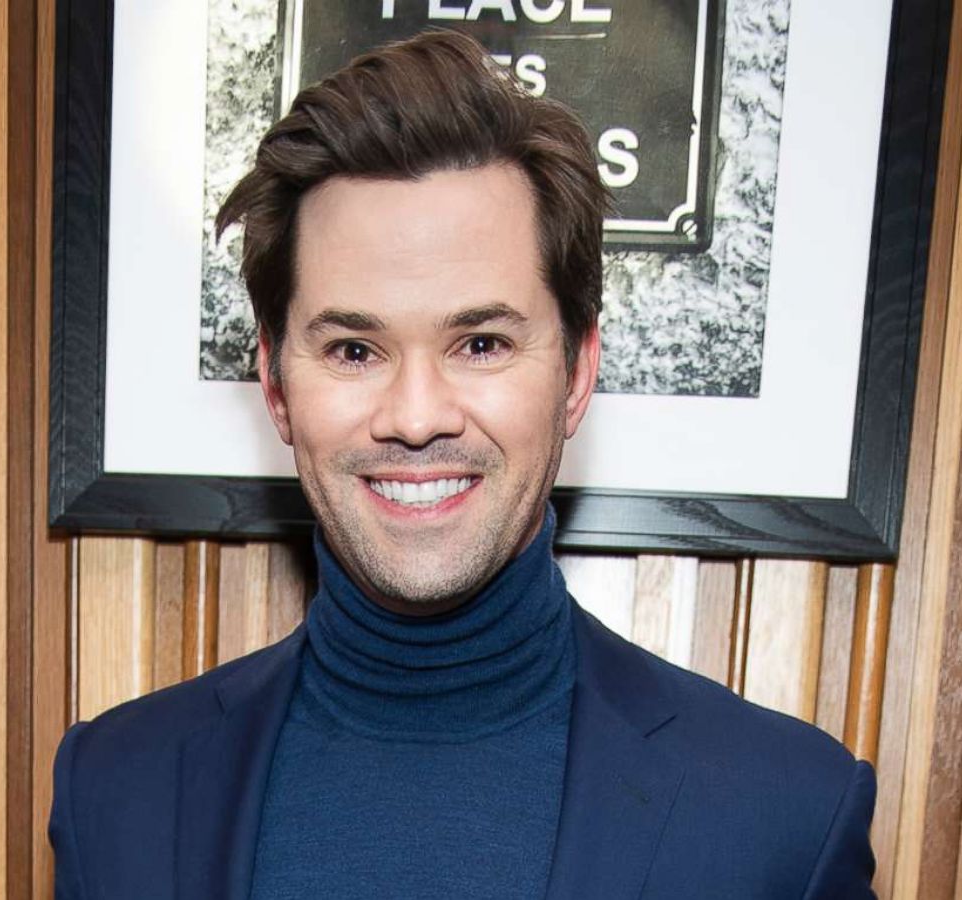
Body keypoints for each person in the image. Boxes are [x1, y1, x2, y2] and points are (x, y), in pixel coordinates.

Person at [48, 29, 876, 900]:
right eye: (355, 349)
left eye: (480, 343)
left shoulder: (782, 815)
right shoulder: (117, 792)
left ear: (576, 372)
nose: (414, 417)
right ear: (277, 384)